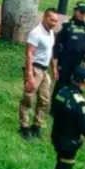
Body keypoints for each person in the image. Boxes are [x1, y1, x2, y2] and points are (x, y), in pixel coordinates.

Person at [19, 8, 59, 140]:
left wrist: (53, 68)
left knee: (44, 99)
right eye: (52, 20)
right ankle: (24, 127)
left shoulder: (51, 33)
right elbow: (29, 53)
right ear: (45, 17)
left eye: (56, 21)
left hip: (44, 70)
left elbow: (51, 51)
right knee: (28, 98)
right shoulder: (36, 33)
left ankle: (36, 126)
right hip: (35, 69)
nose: (54, 23)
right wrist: (30, 74)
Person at [52, 2, 85, 97]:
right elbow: (57, 46)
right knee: (61, 84)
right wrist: (55, 65)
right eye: (81, 12)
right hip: (65, 62)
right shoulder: (67, 26)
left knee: (74, 86)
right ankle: (55, 106)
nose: (83, 15)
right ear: (75, 11)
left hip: (77, 63)